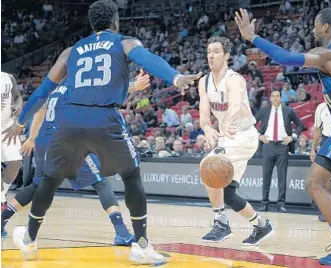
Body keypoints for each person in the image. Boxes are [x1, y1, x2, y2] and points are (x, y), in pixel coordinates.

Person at [2, 0, 200, 264]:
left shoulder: (71, 51)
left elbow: (42, 92)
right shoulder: (123, 41)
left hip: (69, 121)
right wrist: (176, 77)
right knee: (130, 174)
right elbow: (146, 58)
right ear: (116, 21)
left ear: (92, 23)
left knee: (48, 180)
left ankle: (29, 239)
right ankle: (140, 244)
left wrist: (22, 122)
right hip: (104, 118)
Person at [235, 7, 331, 265]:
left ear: (326, 28)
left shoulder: (326, 54)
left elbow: (285, 57)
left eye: (315, 25)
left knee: (313, 183)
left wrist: (252, 37)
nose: (312, 29)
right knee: (329, 186)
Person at [1, 72, 149, 243]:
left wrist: (32, 138)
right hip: (67, 140)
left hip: (44, 140)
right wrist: (135, 85)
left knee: (38, 184)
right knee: (100, 182)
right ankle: (121, 232)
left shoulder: (53, 88)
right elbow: (107, 88)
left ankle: (3, 218)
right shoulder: (79, 87)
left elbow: (40, 110)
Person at [199, 36, 272, 245]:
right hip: (227, 137)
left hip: (243, 135)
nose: (211, 55)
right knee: (229, 194)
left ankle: (221, 223)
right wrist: (206, 128)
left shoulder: (234, 79)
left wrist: (227, 122)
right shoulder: (204, 81)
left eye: (216, 51)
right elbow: (204, 112)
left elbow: (235, 103)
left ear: (227, 56)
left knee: (208, 166)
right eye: (208, 51)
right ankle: (261, 225)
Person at [254, 90, 304, 213]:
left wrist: (292, 137)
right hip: (268, 145)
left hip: (282, 145)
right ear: (270, 98)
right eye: (273, 96)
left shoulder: (288, 110)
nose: (276, 98)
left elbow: (300, 125)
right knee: (266, 175)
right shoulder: (264, 110)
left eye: (278, 96)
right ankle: (264, 203)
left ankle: (281, 204)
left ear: (281, 98)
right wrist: (259, 136)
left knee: (282, 176)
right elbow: (250, 124)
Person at [310, 101, 331, 222]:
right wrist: (313, 148)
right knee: (321, 178)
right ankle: (323, 210)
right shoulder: (321, 107)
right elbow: (317, 130)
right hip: (326, 141)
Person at [1, 72, 23, 210]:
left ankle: (2, 194)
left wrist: (18, 106)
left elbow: (17, 97)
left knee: (16, 161)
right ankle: (1, 201)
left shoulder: (8, 77)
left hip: (8, 126)